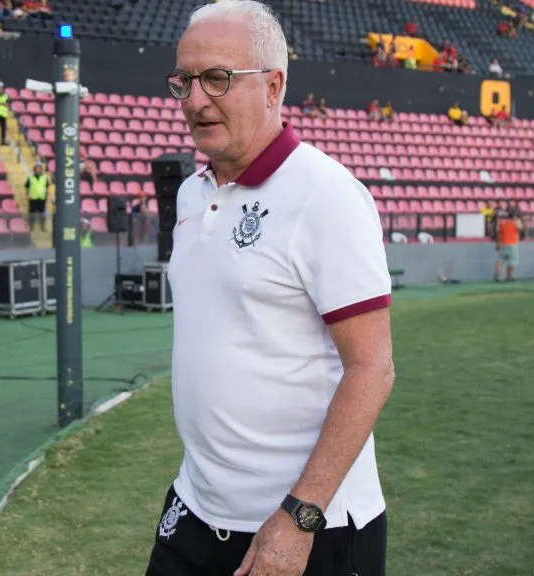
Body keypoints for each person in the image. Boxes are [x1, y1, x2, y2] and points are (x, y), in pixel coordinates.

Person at [147, 1, 394, 574]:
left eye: (216, 78)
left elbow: (372, 369)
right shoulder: (190, 194)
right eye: (184, 80)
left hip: (306, 524)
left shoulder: (325, 195)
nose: (194, 99)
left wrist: (298, 517)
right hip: (197, 504)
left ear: (273, 85)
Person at [494, 208, 521, 282]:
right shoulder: (515, 223)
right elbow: (520, 229)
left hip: (503, 244)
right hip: (512, 244)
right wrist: (518, 221)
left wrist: (497, 243)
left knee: (501, 260)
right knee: (512, 261)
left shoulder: (502, 223)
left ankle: (497, 275)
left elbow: (498, 233)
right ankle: (509, 277)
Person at [25, 162, 51, 233]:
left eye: (40, 169)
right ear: (34, 170)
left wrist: (46, 196)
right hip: (33, 198)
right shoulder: (30, 177)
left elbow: (46, 187)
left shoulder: (45, 177)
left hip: (42, 198)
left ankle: (42, 227)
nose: (38, 170)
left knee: (42, 214)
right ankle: (31, 226)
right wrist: (27, 195)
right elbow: (27, 187)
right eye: (37, 169)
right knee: (32, 213)